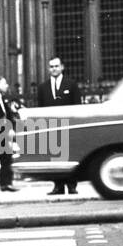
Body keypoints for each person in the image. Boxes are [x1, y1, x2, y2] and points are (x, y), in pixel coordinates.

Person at [35, 55, 80, 194]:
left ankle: (72, 186)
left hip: (68, 126)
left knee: (70, 156)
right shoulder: (43, 87)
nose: (54, 69)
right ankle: (58, 186)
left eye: (56, 66)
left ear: (62, 67)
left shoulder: (71, 84)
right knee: (55, 157)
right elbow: (41, 108)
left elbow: (77, 106)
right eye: (51, 67)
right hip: (52, 126)